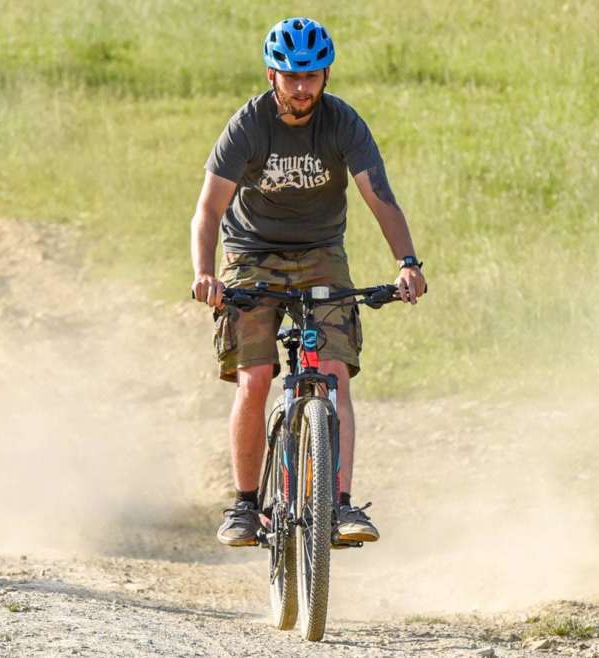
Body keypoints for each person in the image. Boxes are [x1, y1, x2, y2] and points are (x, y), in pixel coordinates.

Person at [190, 18, 427, 546]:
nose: (302, 89)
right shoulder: (248, 125)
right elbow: (208, 210)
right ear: (271, 74)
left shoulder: (342, 123)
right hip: (252, 255)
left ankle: (340, 506)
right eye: (291, 77)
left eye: (312, 77)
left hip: (321, 254)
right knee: (254, 378)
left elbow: (380, 198)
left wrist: (408, 262)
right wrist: (205, 272)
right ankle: (247, 506)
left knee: (335, 374)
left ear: (326, 75)